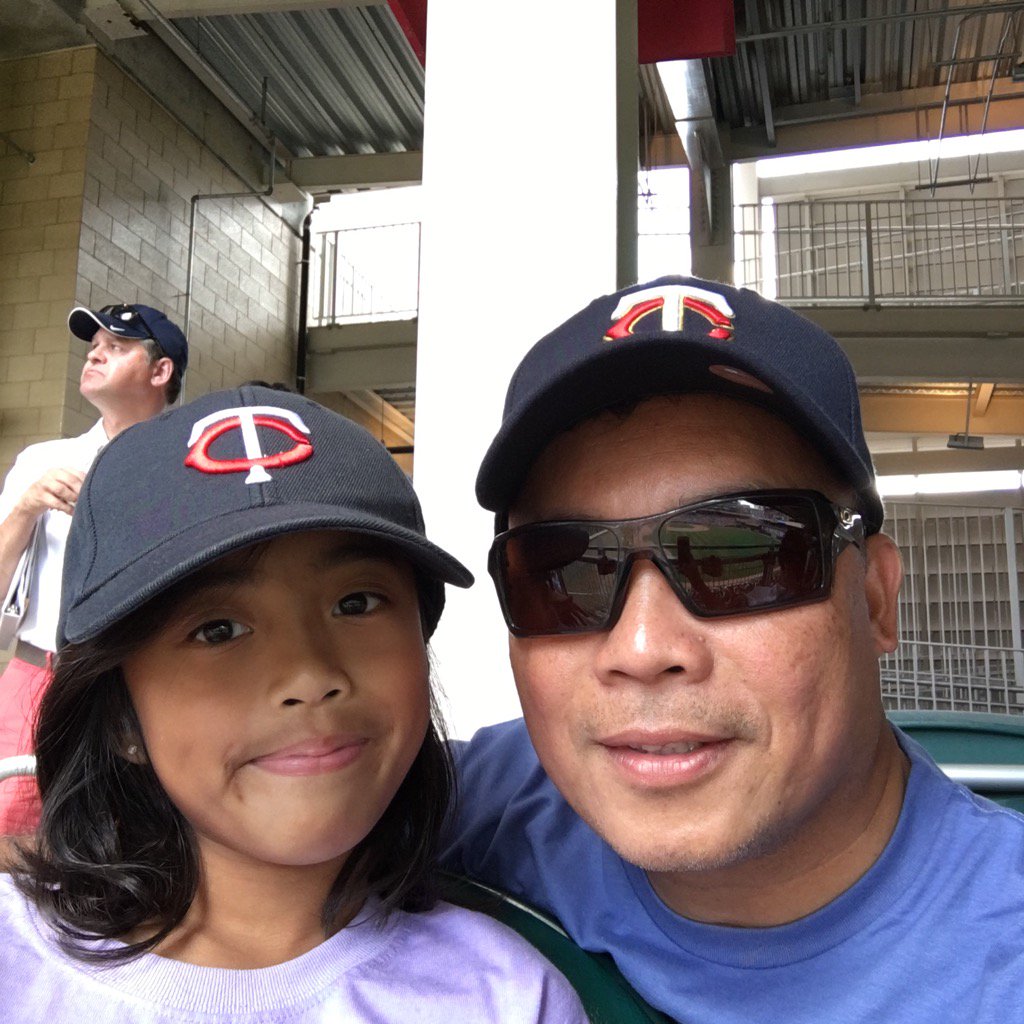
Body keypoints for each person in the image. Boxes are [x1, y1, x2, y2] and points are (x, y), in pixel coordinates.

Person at [443, 275, 1024, 1023]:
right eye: (565, 574)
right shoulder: (479, 806)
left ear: (877, 598)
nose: (642, 648)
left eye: (743, 556)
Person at [1, 385, 588, 1024]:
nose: (310, 676)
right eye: (218, 630)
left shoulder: (507, 997)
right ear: (120, 716)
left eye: (356, 603)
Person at [0, 302, 188, 834]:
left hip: (143, 684)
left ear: (160, 370)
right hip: (41, 677)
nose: (95, 355)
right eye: (94, 347)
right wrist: (26, 508)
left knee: (133, 840)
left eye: (117, 347)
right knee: (14, 837)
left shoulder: (187, 465)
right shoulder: (43, 462)